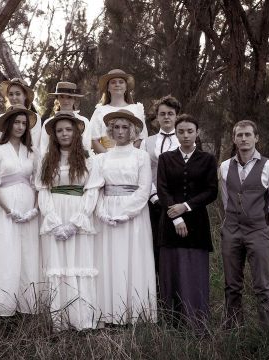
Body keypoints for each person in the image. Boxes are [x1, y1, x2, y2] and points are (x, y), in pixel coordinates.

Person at [36, 111, 99, 331]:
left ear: (76, 132)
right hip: (55, 214)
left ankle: (82, 319)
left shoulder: (88, 158)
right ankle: (59, 321)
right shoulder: (47, 160)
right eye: (60, 130)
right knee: (58, 266)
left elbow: (91, 192)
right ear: (54, 134)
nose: (64, 134)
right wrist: (54, 222)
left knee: (78, 264)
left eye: (68, 129)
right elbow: (43, 192)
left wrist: (75, 223)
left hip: (78, 216)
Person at [93, 110, 156, 325]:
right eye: (116, 127)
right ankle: (110, 312)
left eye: (125, 127)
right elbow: (98, 189)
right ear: (111, 130)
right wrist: (102, 211)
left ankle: (135, 313)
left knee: (133, 258)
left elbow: (144, 189)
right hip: (107, 213)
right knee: (110, 259)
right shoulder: (102, 158)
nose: (120, 131)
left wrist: (125, 213)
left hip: (133, 215)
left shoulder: (141, 156)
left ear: (133, 131)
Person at [219, 120, 269, 328]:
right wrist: (231, 224)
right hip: (231, 230)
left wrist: (263, 226)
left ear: (256, 138)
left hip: (258, 230)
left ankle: (266, 333)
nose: (244, 139)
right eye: (240, 135)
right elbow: (226, 200)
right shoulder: (224, 166)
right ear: (234, 139)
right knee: (231, 285)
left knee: (262, 286)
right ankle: (233, 329)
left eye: (248, 135)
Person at [157, 114, 218, 332]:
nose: (185, 135)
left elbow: (212, 192)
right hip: (170, 225)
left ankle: (196, 323)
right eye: (181, 131)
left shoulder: (208, 159)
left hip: (197, 225)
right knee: (170, 272)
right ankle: (171, 324)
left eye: (190, 131)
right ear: (176, 132)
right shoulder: (165, 159)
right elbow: (162, 190)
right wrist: (177, 215)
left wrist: (186, 206)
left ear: (197, 133)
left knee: (194, 273)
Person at [0, 105, 41, 316]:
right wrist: (8, 210)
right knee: (6, 250)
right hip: (5, 205)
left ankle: (28, 305)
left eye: (24, 124)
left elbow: (38, 183)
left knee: (28, 251)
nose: (20, 126)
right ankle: (3, 306)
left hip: (28, 206)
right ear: (8, 125)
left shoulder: (33, 152)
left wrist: (34, 210)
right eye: (16, 122)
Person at [140, 95, 182, 273]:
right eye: (162, 113)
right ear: (157, 117)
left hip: (178, 203)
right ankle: (156, 292)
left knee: (176, 247)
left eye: (170, 113)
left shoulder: (185, 140)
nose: (166, 117)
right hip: (153, 202)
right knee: (155, 245)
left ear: (176, 116)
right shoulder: (146, 142)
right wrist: (155, 197)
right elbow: (143, 172)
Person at [90, 69, 147, 153]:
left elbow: (142, 138)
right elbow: (94, 140)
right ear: (108, 88)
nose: (117, 84)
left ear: (126, 87)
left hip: (131, 158)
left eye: (121, 82)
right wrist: (109, 157)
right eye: (113, 82)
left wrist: (127, 155)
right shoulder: (100, 111)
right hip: (107, 159)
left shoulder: (136, 109)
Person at [40, 81, 91, 153]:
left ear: (74, 99)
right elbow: (44, 148)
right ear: (57, 98)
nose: (65, 101)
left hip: (78, 161)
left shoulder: (84, 121)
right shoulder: (48, 122)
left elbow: (87, 146)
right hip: (54, 161)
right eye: (62, 96)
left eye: (69, 97)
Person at [0, 78, 42, 149]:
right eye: (11, 94)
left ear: (25, 95)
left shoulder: (34, 117)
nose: (14, 98)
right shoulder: (1, 118)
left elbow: (34, 143)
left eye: (18, 94)